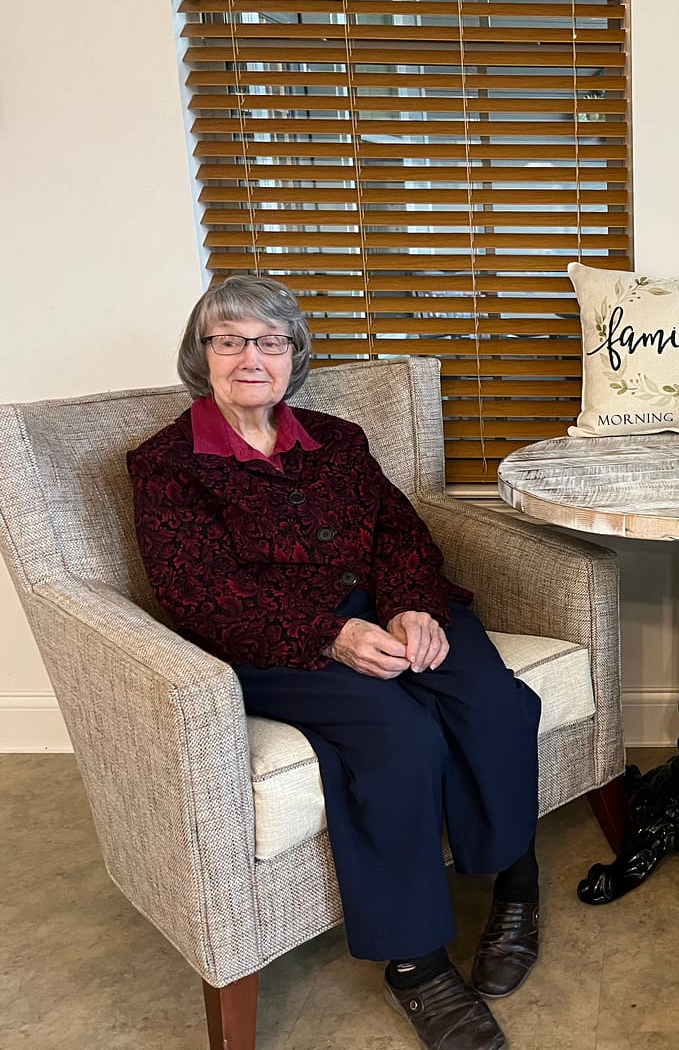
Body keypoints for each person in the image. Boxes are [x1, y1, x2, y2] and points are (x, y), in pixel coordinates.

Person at [129, 275, 540, 1050]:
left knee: (491, 701)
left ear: (293, 356)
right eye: (229, 340)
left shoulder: (337, 441)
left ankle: (516, 880)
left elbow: (400, 535)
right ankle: (417, 964)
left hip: (386, 610)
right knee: (398, 736)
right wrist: (331, 636)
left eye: (270, 340)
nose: (251, 356)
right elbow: (195, 590)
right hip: (274, 642)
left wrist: (415, 604)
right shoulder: (165, 465)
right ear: (202, 355)